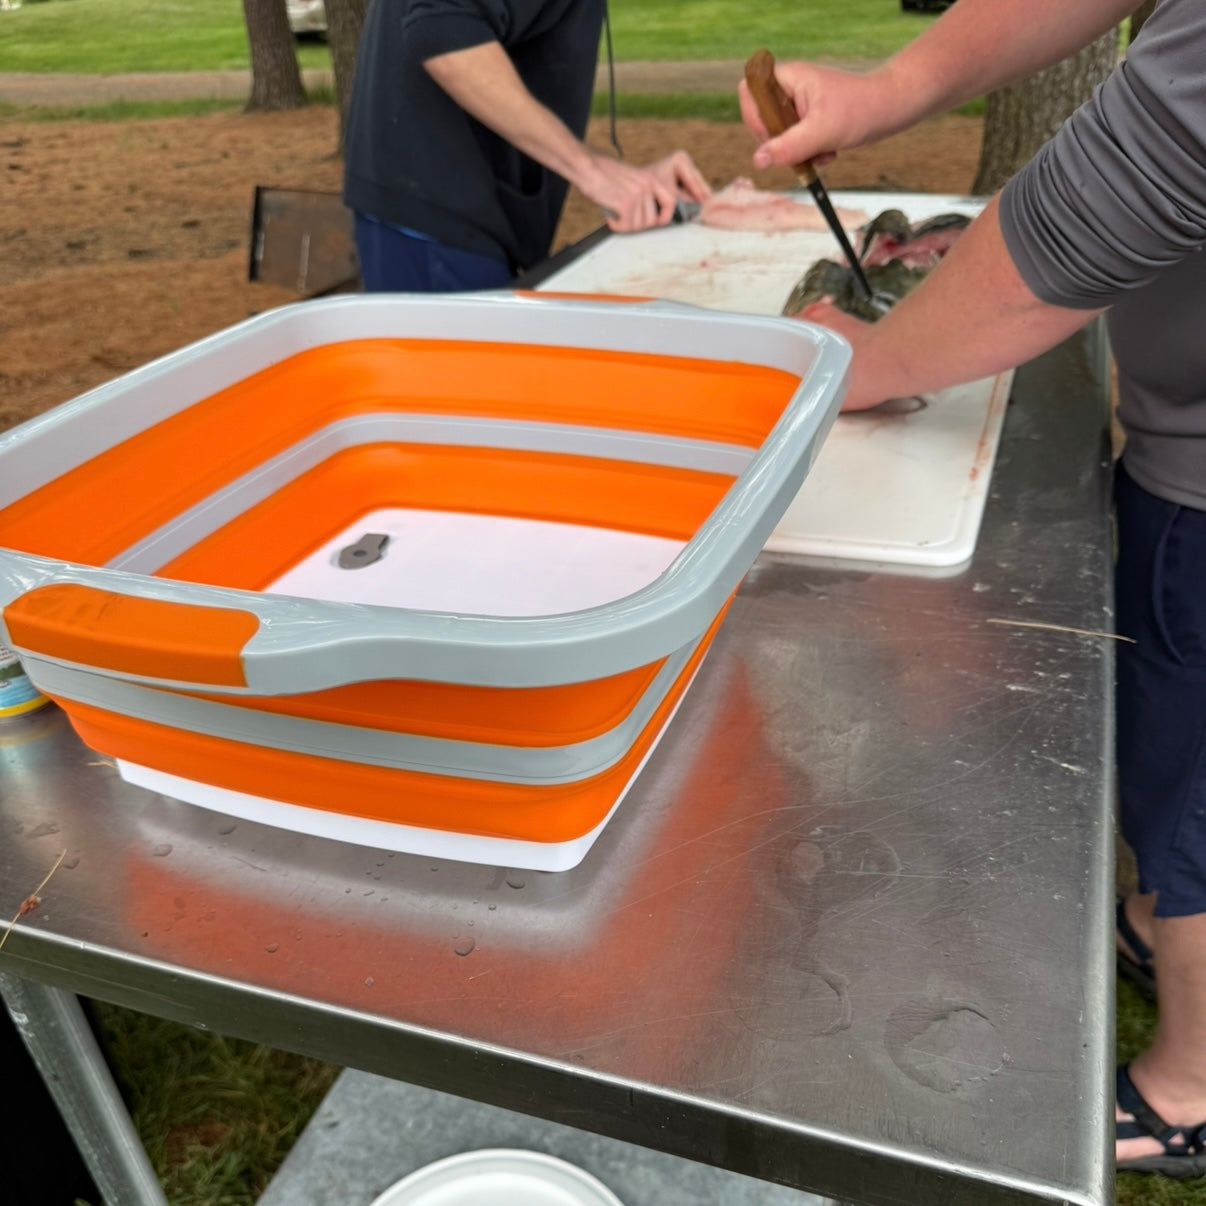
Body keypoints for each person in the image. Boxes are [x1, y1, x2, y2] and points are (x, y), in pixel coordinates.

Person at [740, 0, 1206, 1180]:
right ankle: (1157, 927)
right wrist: (894, 87)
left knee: (1197, 800)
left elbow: (1152, 162)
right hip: (1181, 460)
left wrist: (878, 356)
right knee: (1167, 758)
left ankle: (1192, 1088)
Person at [342, 0, 712, 292]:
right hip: (436, 225)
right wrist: (591, 171)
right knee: (452, 384)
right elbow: (443, 30)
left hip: (439, 209)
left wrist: (622, 175)